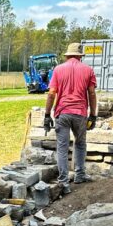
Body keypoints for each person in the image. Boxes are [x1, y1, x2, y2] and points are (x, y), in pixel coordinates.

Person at [44, 42, 98, 195]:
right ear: (80, 56)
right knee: (80, 144)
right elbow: (92, 94)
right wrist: (93, 115)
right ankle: (80, 175)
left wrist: (47, 114)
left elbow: (51, 93)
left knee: (62, 147)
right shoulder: (88, 70)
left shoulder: (58, 69)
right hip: (80, 113)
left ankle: (63, 182)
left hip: (63, 112)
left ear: (67, 55)